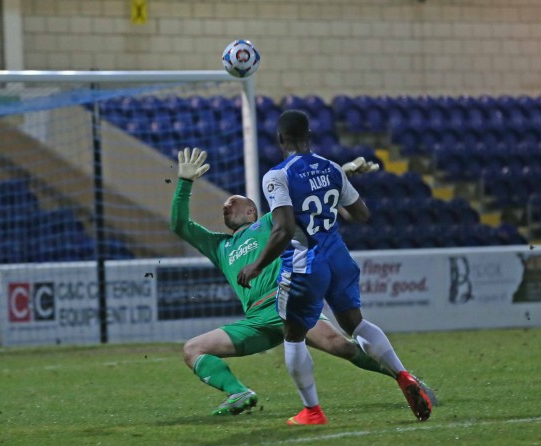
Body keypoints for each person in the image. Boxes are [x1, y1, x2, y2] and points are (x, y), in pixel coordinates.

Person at [171, 146, 436, 424]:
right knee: (192, 349)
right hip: (256, 321)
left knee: (341, 347)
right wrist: (184, 183)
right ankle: (238, 393)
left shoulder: (270, 222)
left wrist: (342, 173)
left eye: (233, 202)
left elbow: (308, 197)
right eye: (225, 206)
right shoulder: (219, 245)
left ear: (251, 210)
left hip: (288, 301)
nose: (226, 205)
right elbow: (180, 225)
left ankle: (405, 379)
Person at [237, 110, 434, 425]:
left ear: (279, 139)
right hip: (338, 256)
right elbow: (361, 215)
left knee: (294, 334)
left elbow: (283, 229)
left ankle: (312, 411)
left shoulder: (277, 176)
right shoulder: (331, 168)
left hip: (305, 263)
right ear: (310, 136)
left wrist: (257, 265)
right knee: (356, 324)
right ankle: (402, 374)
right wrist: (332, 195)